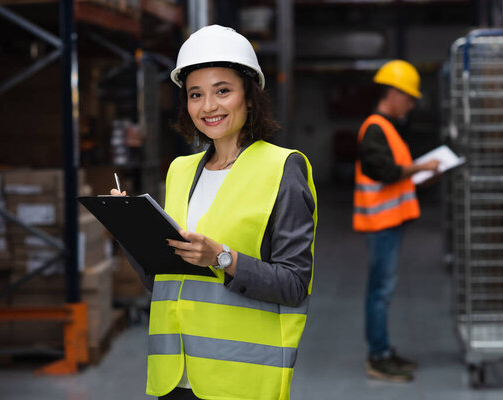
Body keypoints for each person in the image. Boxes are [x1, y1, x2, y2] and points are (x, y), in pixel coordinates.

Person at [113, 25, 317, 399]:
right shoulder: (180, 170)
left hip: (239, 379)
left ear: (250, 97)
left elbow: (293, 285)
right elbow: (165, 281)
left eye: (222, 90)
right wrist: (128, 226)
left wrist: (222, 257)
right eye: (196, 94)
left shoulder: (282, 168)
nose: (208, 106)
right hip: (175, 376)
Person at [353, 60, 439, 383]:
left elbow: (394, 175)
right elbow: (383, 172)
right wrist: (420, 168)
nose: (412, 103)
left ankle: (384, 352)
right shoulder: (376, 128)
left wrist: (421, 175)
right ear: (393, 92)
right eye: (409, 96)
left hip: (390, 222)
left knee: (381, 290)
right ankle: (378, 357)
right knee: (380, 291)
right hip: (382, 224)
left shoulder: (387, 128)